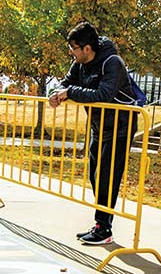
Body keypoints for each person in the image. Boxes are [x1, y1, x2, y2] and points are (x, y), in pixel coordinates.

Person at [48, 21, 140, 246]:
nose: (71, 53)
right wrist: (55, 93)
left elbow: (104, 93)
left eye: (74, 48)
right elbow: (65, 84)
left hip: (120, 127)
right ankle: (100, 225)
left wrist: (69, 92)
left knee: (108, 178)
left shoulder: (112, 63)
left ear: (87, 48)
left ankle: (104, 229)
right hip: (99, 127)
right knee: (95, 176)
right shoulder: (79, 65)